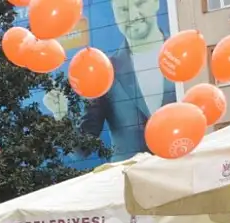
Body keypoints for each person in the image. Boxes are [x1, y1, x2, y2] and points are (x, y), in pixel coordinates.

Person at [43, 0, 174, 160]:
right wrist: (62, 116)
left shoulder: (180, 55)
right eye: (123, 9)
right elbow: (81, 150)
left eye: (140, 3)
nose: (133, 15)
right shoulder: (104, 71)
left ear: (155, 3)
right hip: (129, 181)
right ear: (114, 14)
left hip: (186, 175)